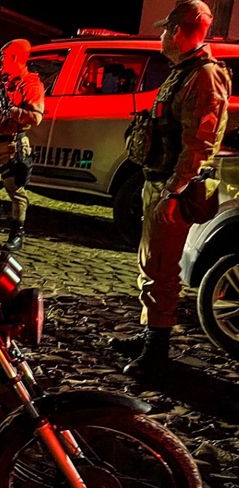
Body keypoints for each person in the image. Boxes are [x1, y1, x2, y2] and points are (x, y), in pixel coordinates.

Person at [111, 0, 230, 378]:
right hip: (159, 180)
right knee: (151, 262)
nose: (161, 35)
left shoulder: (204, 76)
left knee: (162, 267)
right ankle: (150, 330)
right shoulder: (184, 72)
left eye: (165, 29)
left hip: (174, 186)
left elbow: (200, 143)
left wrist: (174, 191)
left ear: (178, 32)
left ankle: (156, 349)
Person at [0, 39, 44, 252]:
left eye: (4, 57)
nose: (1, 61)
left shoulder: (30, 84)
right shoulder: (1, 81)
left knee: (15, 191)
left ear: (15, 58)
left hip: (11, 144)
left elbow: (36, 117)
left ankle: (16, 234)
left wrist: (11, 110)